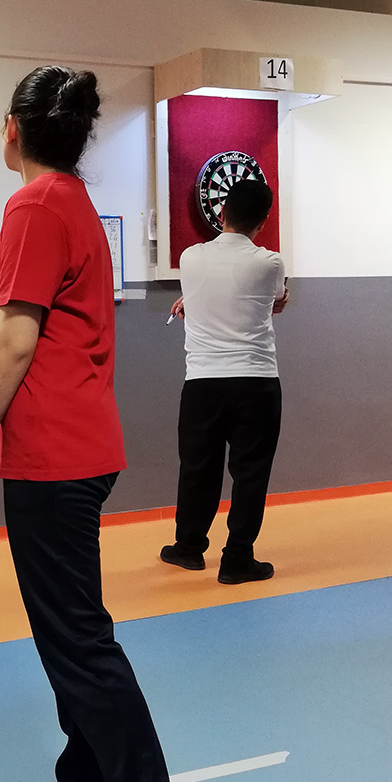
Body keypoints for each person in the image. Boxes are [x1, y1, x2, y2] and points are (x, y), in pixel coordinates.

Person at [0, 66, 221, 782]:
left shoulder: (34, 206)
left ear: (12, 130)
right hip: (80, 450)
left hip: (54, 460)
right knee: (72, 640)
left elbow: (15, 339)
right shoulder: (74, 205)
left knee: (82, 649)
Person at [161, 179, 288, 583]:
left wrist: (196, 305)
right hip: (256, 382)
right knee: (251, 473)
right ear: (263, 222)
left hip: (203, 383)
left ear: (221, 213)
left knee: (197, 468)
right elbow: (277, 300)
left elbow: (206, 296)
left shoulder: (190, 257)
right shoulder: (270, 263)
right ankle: (237, 559)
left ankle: (188, 548)